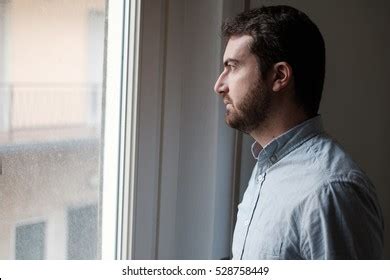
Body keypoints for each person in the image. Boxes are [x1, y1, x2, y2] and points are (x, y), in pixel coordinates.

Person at [214, 5, 384, 260]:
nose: (219, 85)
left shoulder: (330, 190)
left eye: (233, 67)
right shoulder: (268, 167)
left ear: (279, 76)